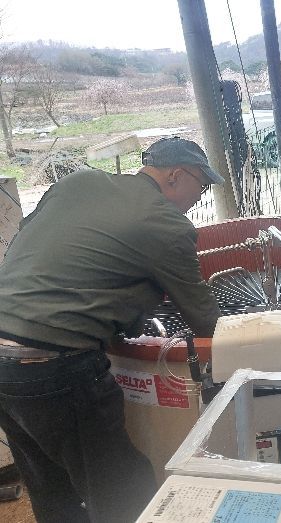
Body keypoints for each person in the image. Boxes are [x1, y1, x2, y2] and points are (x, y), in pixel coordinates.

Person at [0, 137, 223, 523]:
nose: (198, 199)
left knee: (52, 487)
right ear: (176, 175)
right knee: (123, 489)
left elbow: (44, 247)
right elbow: (205, 318)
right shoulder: (166, 223)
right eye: (201, 187)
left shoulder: (78, 182)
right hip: (54, 363)